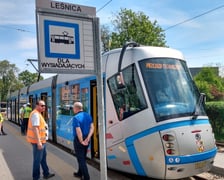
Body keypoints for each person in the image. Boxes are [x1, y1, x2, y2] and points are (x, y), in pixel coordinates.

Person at [26, 100, 55, 180]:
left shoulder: (38, 114)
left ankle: (46, 173)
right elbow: (35, 128)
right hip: (38, 142)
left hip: (42, 141)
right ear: (37, 105)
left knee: (43, 158)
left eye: (44, 106)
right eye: (42, 105)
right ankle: (36, 177)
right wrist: (39, 142)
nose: (44, 107)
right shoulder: (35, 114)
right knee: (37, 160)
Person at [72, 102, 94, 180]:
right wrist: (88, 138)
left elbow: (78, 131)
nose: (73, 109)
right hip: (87, 139)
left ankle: (86, 177)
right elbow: (92, 128)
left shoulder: (76, 118)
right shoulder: (88, 116)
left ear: (76, 108)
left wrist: (81, 141)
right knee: (82, 157)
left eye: (73, 108)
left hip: (79, 140)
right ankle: (79, 173)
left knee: (81, 159)